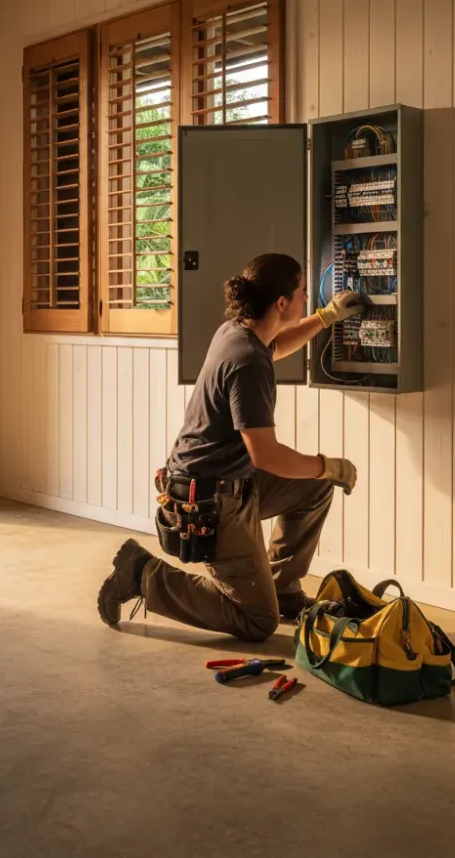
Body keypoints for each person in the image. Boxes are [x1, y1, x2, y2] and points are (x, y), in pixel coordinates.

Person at [96, 252, 363, 642]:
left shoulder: (237, 331)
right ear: (282, 303)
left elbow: (279, 344)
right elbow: (267, 455)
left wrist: (324, 319)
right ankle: (141, 574)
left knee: (315, 487)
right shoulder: (248, 361)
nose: (309, 299)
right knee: (257, 622)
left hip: (235, 482)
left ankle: (282, 590)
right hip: (208, 501)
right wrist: (327, 464)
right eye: (304, 294)